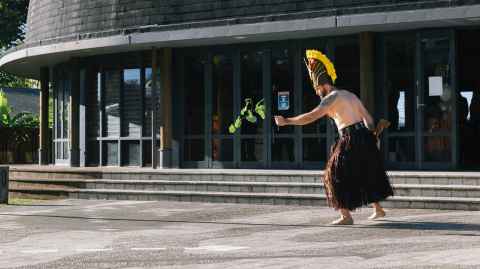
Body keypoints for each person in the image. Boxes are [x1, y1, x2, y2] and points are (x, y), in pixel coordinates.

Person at [274, 50, 394, 225]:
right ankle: (378, 209)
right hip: (363, 136)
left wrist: (286, 121)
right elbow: (368, 118)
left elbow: (311, 116)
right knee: (364, 172)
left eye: (317, 89)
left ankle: (346, 216)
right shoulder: (350, 95)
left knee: (332, 174)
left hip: (350, 138)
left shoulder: (331, 98)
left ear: (323, 85)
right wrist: (372, 138)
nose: (317, 93)